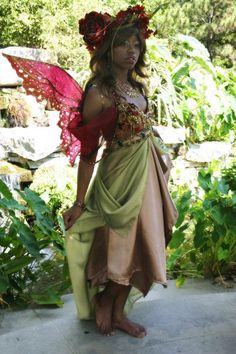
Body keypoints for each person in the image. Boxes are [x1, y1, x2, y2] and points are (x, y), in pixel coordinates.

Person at [63, 5, 178, 338]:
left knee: (143, 244)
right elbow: (88, 152)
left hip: (147, 177)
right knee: (121, 246)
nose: (132, 51)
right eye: (124, 44)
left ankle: (117, 313)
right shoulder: (99, 93)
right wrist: (79, 202)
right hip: (119, 180)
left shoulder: (138, 89)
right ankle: (105, 301)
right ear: (107, 48)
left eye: (136, 45)